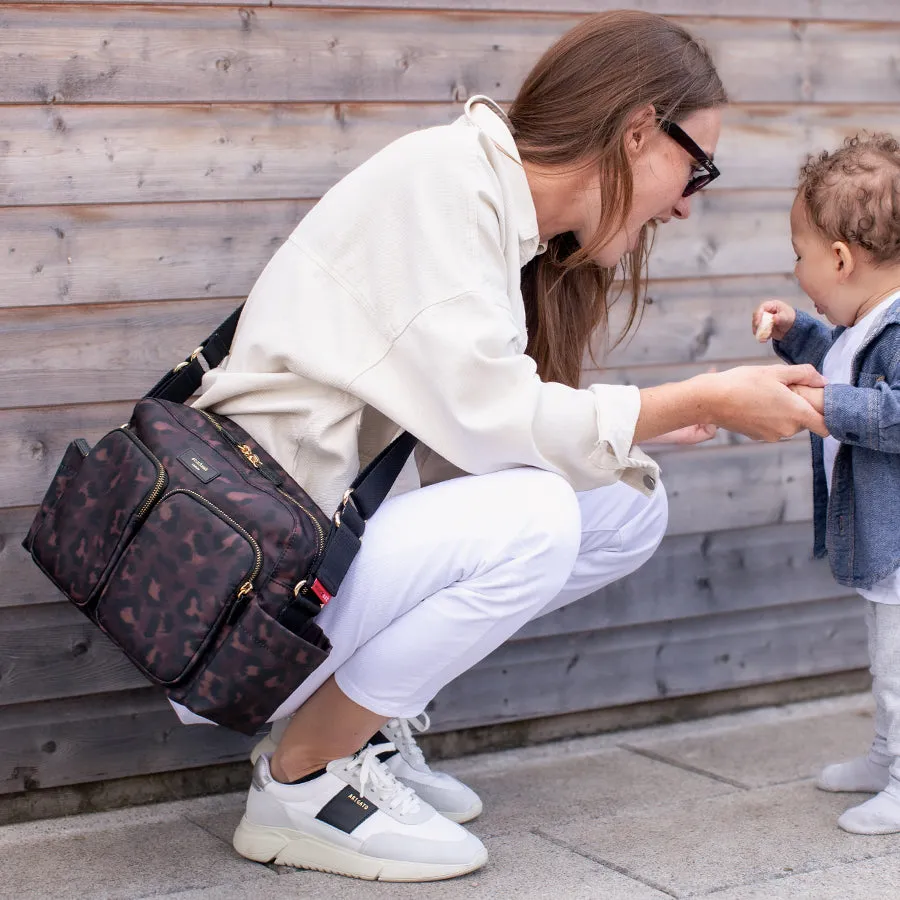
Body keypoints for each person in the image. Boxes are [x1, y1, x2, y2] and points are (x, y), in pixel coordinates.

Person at [183, 10, 826, 882]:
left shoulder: (498, 211)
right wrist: (699, 396)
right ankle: (303, 781)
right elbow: (494, 422)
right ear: (639, 132)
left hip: (309, 551)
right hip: (249, 587)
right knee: (536, 516)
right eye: (695, 168)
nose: (684, 202)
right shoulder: (444, 185)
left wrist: (650, 423)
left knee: (625, 505)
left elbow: (470, 429)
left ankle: (356, 728)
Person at [753, 133, 900, 836]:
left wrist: (823, 408)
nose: (796, 267)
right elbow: (839, 357)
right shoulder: (864, 320)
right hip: (882, 537)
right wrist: (794, 329)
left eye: (798, 254)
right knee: (884, 657)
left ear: (840, 260)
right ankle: (885, 754)